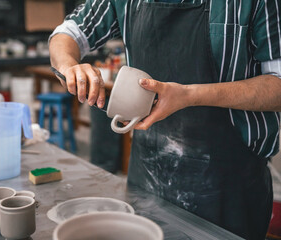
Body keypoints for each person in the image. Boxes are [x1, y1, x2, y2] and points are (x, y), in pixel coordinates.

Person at [49, 0, 281, 239]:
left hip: (229, 188)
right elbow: (67, 33)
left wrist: (190, 95)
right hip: (147, 175)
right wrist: (69, 66)